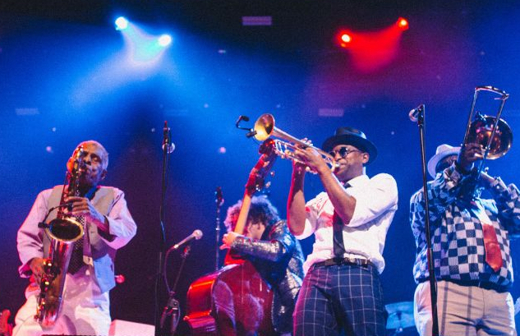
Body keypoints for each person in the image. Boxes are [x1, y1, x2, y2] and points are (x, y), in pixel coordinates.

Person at [13, 140, 137, 336]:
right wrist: (34, 260)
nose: (86, 161)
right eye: (82, 156)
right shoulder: (47, 196)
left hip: (90, 294)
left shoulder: (114, 196)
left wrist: (98, 217)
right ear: (70, 163)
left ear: (103, 173)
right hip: (48, 286)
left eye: (94, 159)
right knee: (24, 331)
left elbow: (128, 231)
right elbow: (27, 236)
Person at [287, 127, 398, 336]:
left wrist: (322, 169)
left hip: (358, 272)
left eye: (343, 151)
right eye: (334, 152)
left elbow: (350, 213)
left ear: (364, 157)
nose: (336, 156)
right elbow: (297, 228)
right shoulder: (323, 196)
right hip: (316, 274)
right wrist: (298, 174)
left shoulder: (382, 183)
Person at [410, 143, 520, 336]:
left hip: (499, 298)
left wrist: (490, 182)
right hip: (449, 292)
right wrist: (459, 168)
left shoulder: (490, 207)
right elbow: (434, 197)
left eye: (469, 164)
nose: (465, 168)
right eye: (450, 165)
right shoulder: (428, 200)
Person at [220, 196, 305, 336]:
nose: (243, 236)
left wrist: (238, 241)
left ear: (258, 221)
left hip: (291, 305)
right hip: (269, 315)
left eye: (245, 231)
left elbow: (277, 251)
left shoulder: (282, 227)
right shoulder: (254, 247)